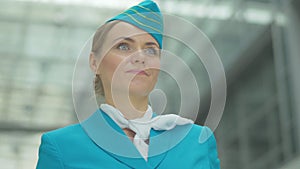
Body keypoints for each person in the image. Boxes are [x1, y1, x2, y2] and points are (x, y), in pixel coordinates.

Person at [36, 1, 220, 169]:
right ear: (94, 62)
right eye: (124, 46)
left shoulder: (197, 140)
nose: (140, 57)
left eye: (150, 50)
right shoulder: (62, 147)